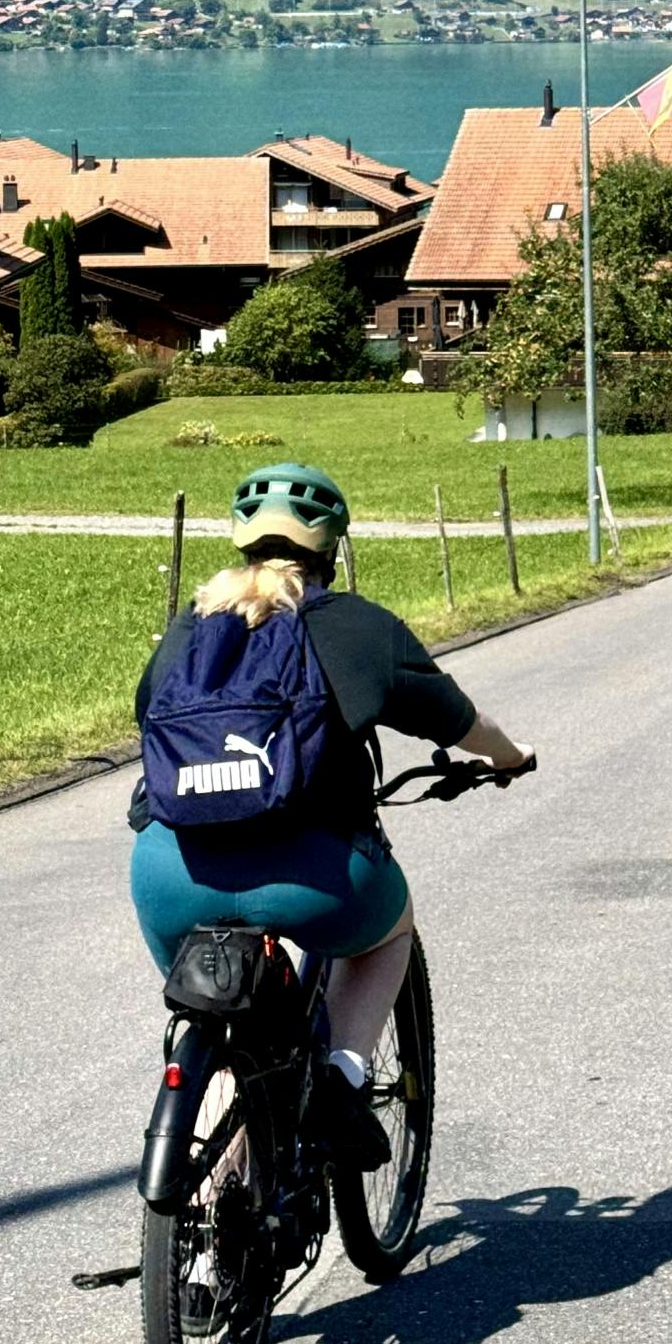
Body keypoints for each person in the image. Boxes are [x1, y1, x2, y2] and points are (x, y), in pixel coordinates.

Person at [129, 463, 533, 1171]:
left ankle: (202, 1230)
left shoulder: (189, 629)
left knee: (224, 1024)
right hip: (314, 876)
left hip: (169, 873)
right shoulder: (352, 625)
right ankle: (344, 1082)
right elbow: (458, 720)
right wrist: (510, 757)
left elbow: (148, 724)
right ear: (331, 550)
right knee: (389, 929)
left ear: (241, 543)